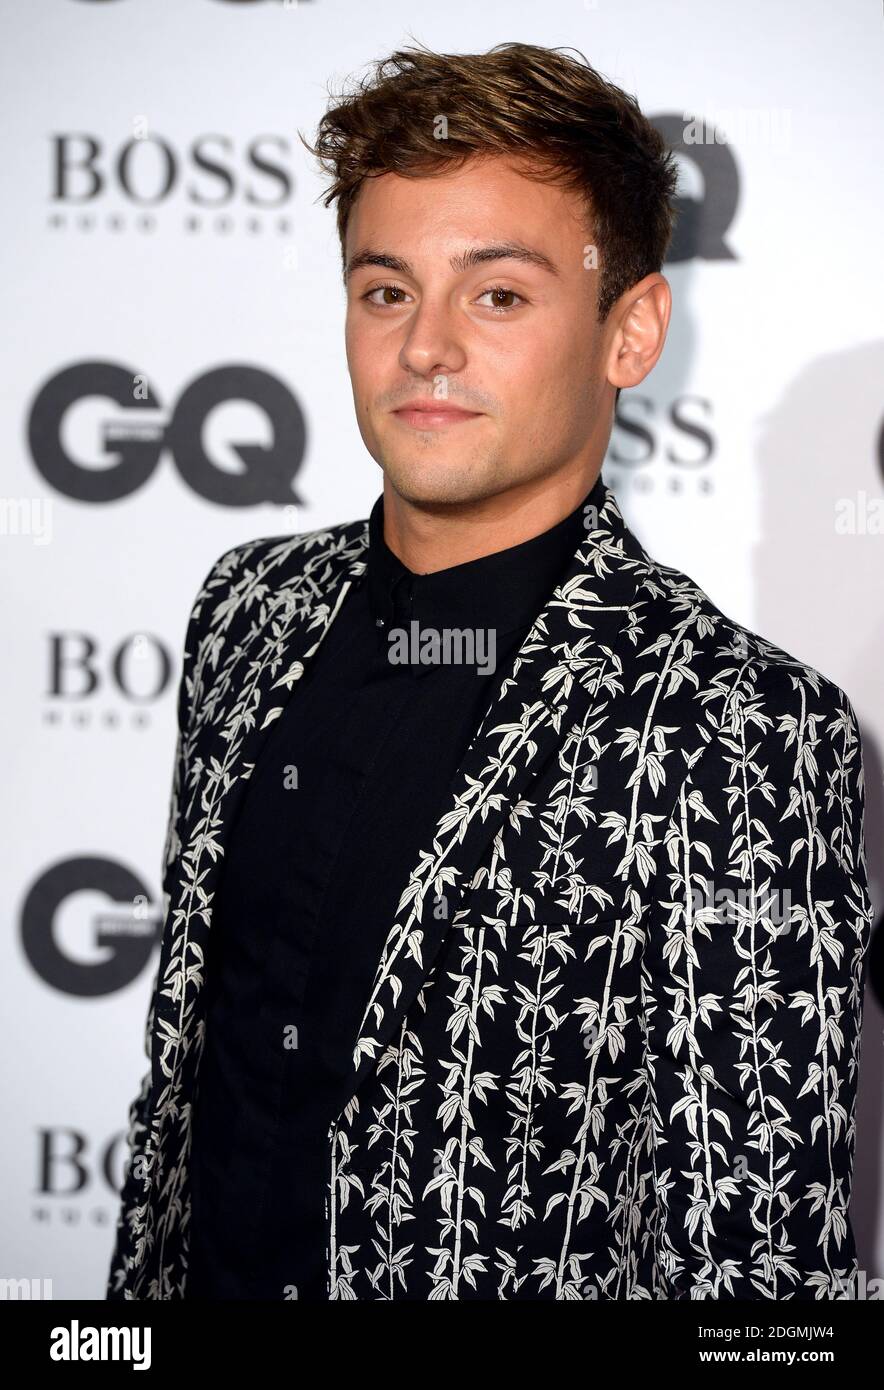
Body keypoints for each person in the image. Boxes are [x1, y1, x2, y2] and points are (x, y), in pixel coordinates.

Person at [107, 41, 873, 1301]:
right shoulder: (246, 608)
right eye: (385, 290)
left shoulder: (736, 722)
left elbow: (756, 1257)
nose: (426, 348)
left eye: (499, 295)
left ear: (628, 329)